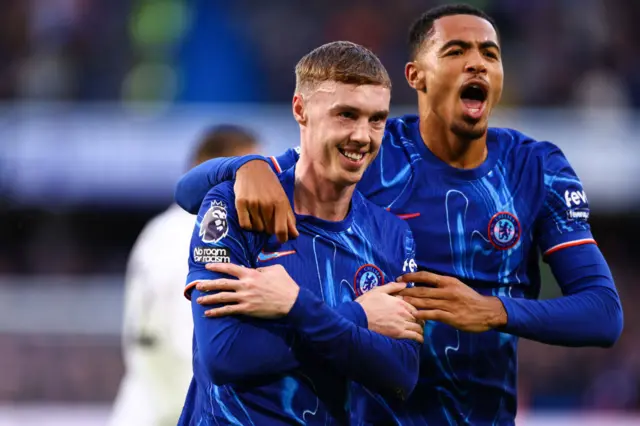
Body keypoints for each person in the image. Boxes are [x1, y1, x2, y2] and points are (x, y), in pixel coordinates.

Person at [173, 4, 624, 425]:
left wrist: (492, 310)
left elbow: (603, 313)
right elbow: (191, 190)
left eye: (490, 53)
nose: (477, 63)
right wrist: (241, 166)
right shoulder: (371, 153)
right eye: (456, 51)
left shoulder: (535, 168)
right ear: (417, 75)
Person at [178, 41, 423, 426]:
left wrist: (294, 307)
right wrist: (358, 317)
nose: (363, 135)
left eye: (377, 119)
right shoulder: (235, 206)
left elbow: (402, 373)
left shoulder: (392, 236)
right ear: (300, 110)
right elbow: (225, 355)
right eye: (346, 115)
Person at [108, 125, 260, 426]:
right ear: (214, 171)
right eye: (252, 170)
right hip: (176, 410)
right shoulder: (202, 237)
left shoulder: (160, 230)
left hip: (143, 403)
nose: (265, 184)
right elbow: (195, 340)